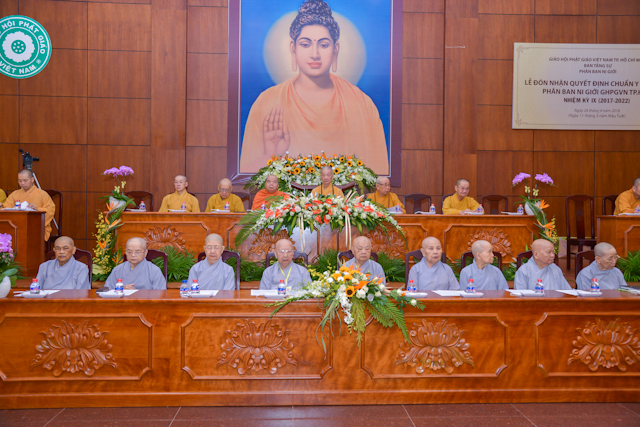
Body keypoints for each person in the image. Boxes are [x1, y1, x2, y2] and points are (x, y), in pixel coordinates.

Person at [239, 0, 389, 175]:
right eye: (305, 44)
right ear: (293, 49)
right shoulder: (267, 103)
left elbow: (378, 176)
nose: (315, 54)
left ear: (335, 50)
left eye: (324, 45)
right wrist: (268, 156)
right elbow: (245, 177)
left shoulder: (362, 105)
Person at [2, 170, 56, 241]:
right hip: (17, 226)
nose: (22, 183)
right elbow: (6, 207)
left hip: (36, 226)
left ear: (32, 179)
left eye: (25, 180)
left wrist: (37, 209)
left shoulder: (42, 194)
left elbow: (50, 209)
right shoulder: (15, 194)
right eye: (20, 181)